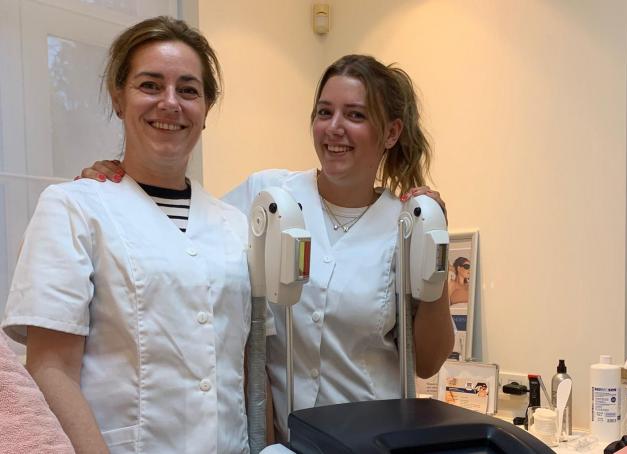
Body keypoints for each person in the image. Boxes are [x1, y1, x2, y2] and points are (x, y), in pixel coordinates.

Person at [81, 54, 455, 440]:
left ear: (391, 133)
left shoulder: (405, 224)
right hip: (285, 443)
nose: (334, 128)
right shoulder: (269, 196)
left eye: (355, 115)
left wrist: (435, 253)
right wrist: (125, 184)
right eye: (324, 112)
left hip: (372, 440)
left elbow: (427, 362)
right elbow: (185, 238)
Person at [2, 17, 250, 453]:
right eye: (150, 85)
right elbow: (50, 368)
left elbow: (246, 367)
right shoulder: (72, 208)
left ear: (207, 108)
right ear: (119, 98)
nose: (170, 103)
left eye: (188, 90)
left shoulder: (235, 224)